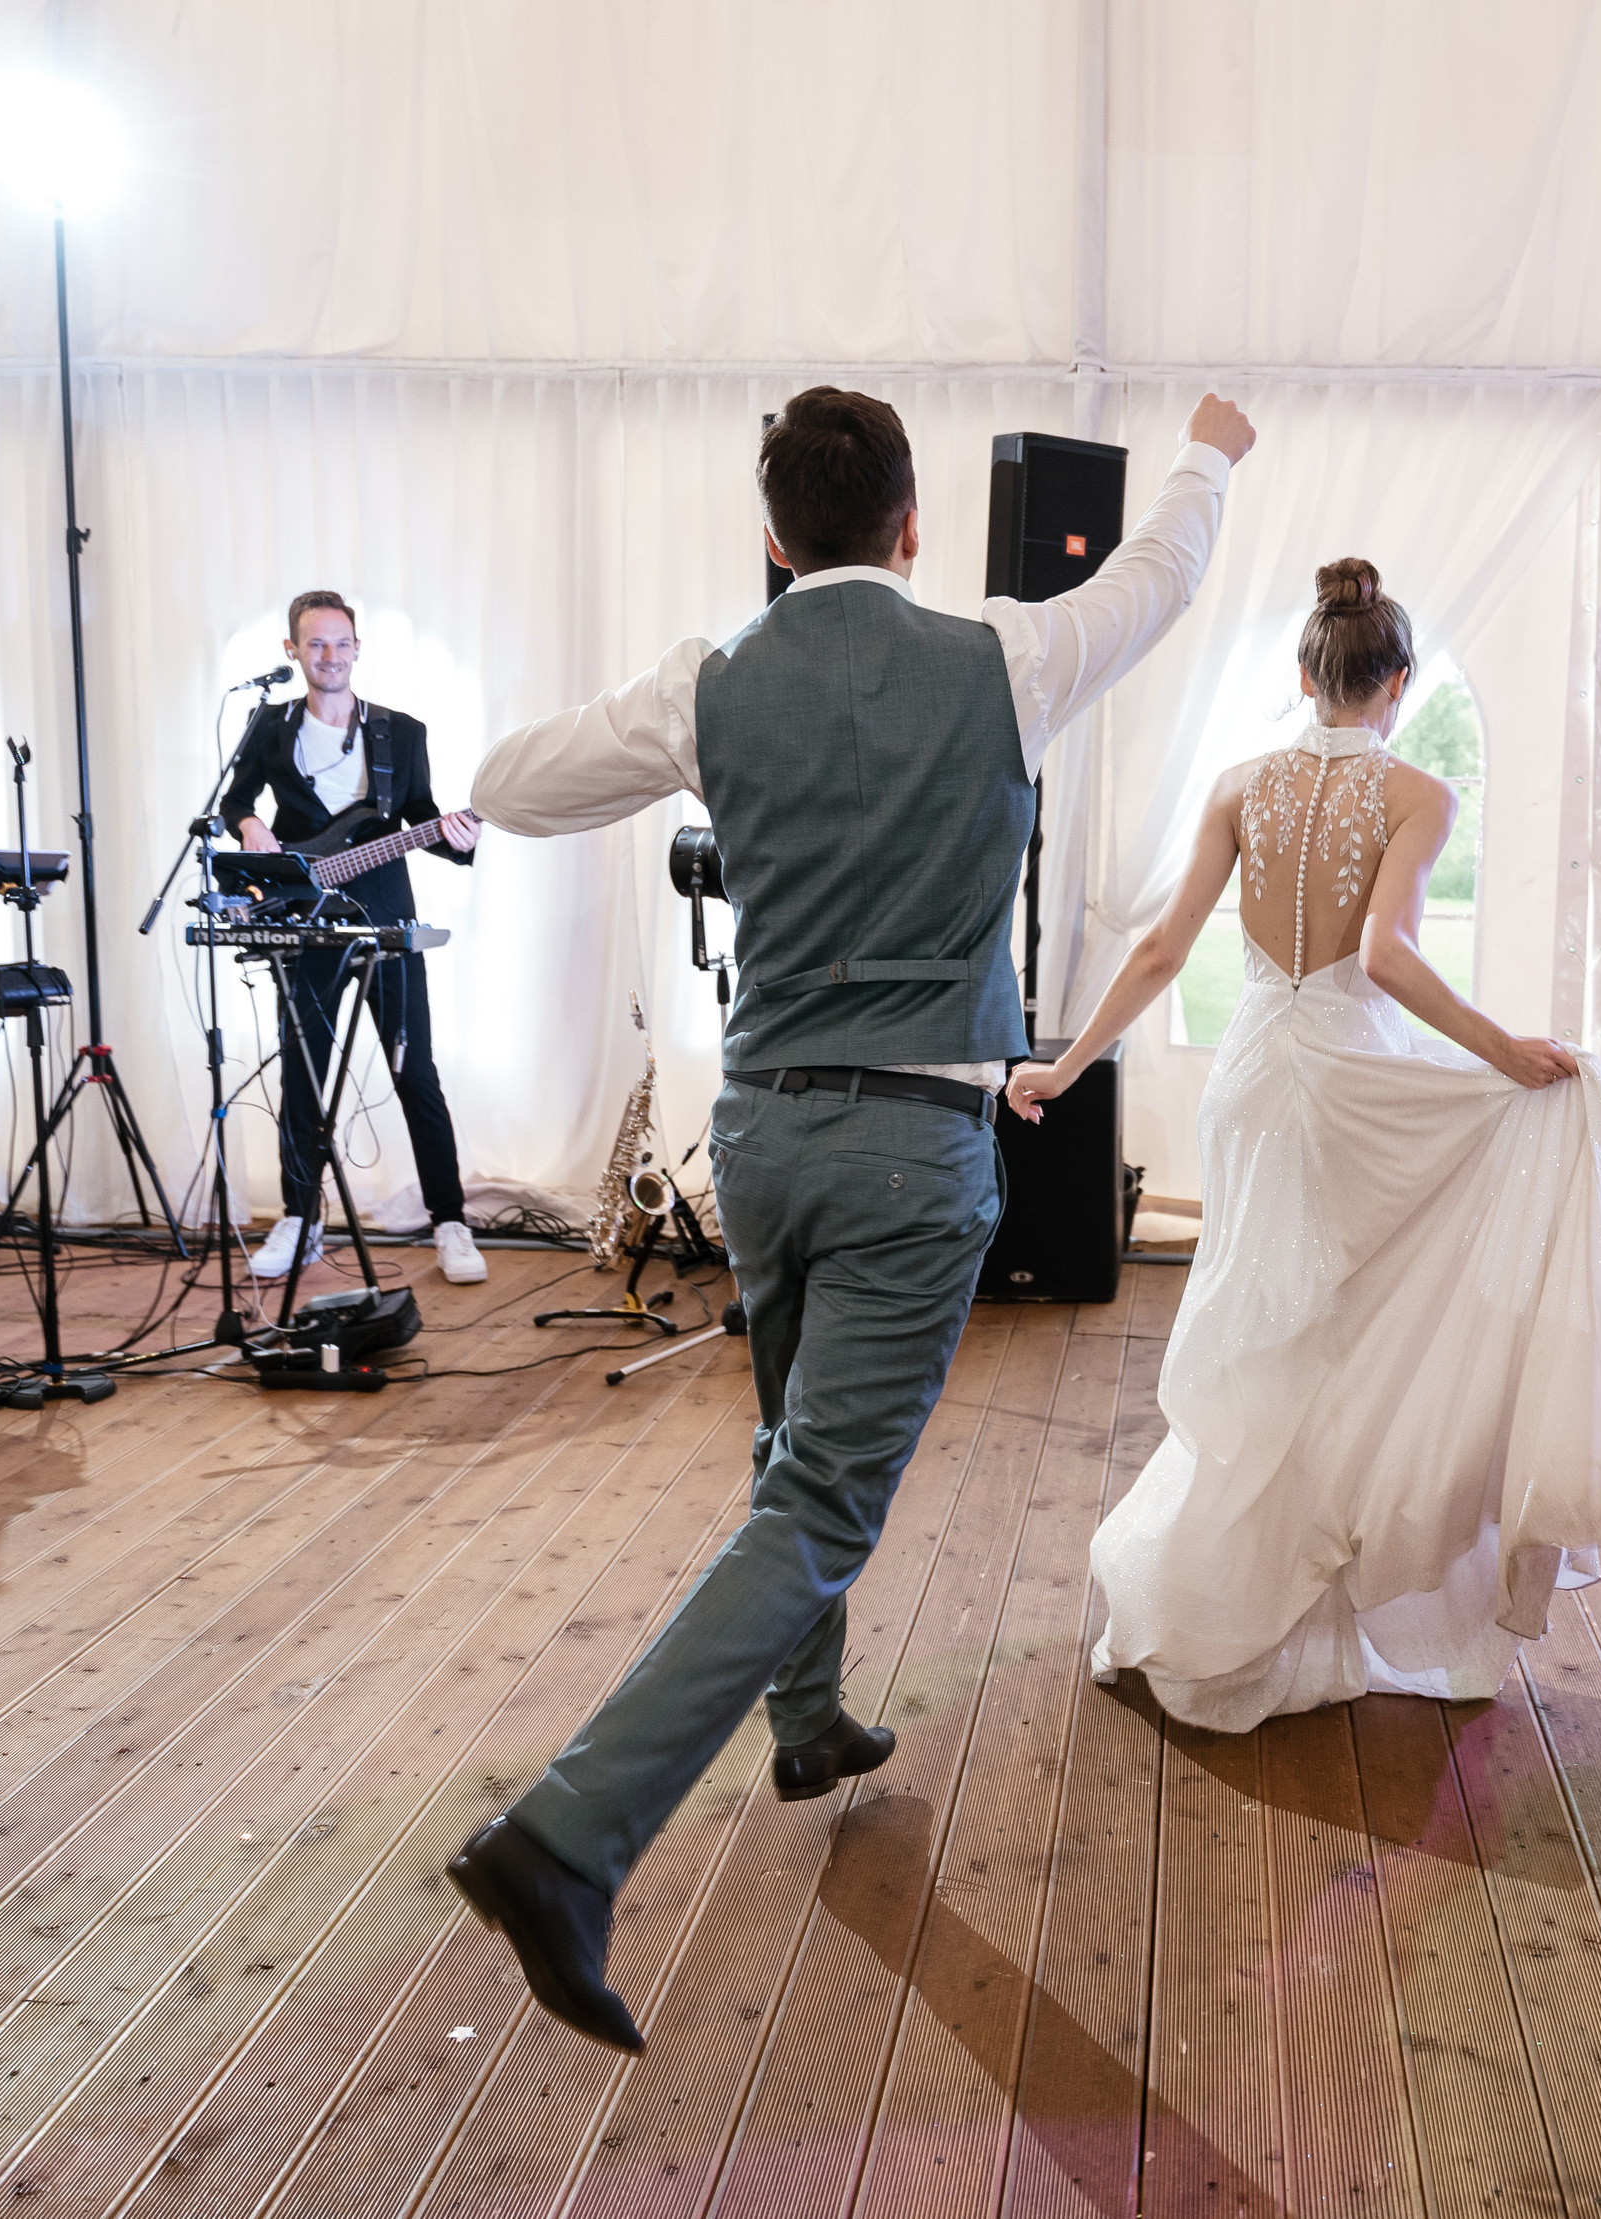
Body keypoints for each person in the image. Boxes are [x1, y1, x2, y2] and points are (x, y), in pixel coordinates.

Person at [444, 386, 1254, 2051]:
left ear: (771, 539)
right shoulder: (1001, 655)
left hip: (758, 1136)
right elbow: (1160, 582)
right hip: (910, 1145)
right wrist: (1208, 457)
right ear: (908, 527)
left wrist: (601, 753)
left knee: (787, 1445)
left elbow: (513, 785)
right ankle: (570, 1832)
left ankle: (806, 1719)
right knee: (821, 1495)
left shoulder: (711, 679)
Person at [1007, 559, 1601, 1735]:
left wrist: (1065, 1065)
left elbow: (1156, 953)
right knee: (1343, 1336)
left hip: (1251, 1080)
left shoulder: (1240, 784)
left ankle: (1231, 1593)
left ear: (1304, 674)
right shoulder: (1416, 793)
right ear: (1396, 680)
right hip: (1349, 1082)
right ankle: (1307, 1602)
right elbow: (1388, 960)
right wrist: (1504, 1051)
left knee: (1260, 1332)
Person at [223, 590, 487, 1286]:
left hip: (386, 920)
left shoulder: (401, 733)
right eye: (315, 644)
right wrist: (247, 823)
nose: (329, 656)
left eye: (341, 643)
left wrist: (459, 838)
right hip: (305, 924)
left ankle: (450, 1220)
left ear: (358, 649)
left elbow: (424, 815)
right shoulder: (268, 726)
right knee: (302, 1074)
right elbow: (234, 799)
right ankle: (299, 1218)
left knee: (415, 1074)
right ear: (292, 651)